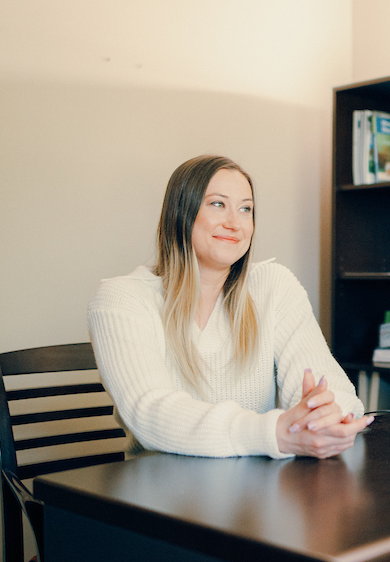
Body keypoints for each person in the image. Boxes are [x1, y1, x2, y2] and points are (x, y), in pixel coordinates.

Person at [89, 154, 371, 459]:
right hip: (163, 493)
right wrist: (272, 432)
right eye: (217, 204)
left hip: (261, 491)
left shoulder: (274, 285)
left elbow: (329, 386)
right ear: (180, 213)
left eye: (245, 209)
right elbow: (149, 412)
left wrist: (326, 416)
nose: (235, 223)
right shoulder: (122, 299)